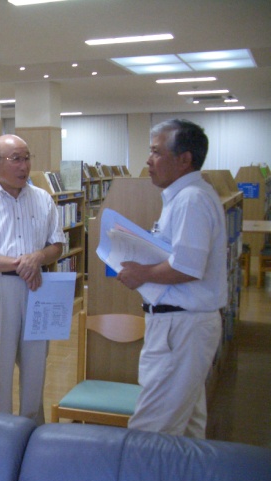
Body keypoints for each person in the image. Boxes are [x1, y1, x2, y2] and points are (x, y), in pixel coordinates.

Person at [118, 119, 227, 438]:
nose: (148, 161)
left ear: (184, 159)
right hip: (183, 325)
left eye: (155, 152)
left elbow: (189, 266)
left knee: (150, 431)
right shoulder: (186, 197)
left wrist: (141, 274)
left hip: (181, 327)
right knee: (188, 428)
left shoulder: (191, 199)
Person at [0, 134, 65, 425]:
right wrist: (23, 262)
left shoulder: (43, 199)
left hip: (37, 289)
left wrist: (38, 258)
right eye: (16, 159)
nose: (24, 166)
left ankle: (33, 432)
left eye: (27, 157)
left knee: (35, 368)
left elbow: (57, 245)